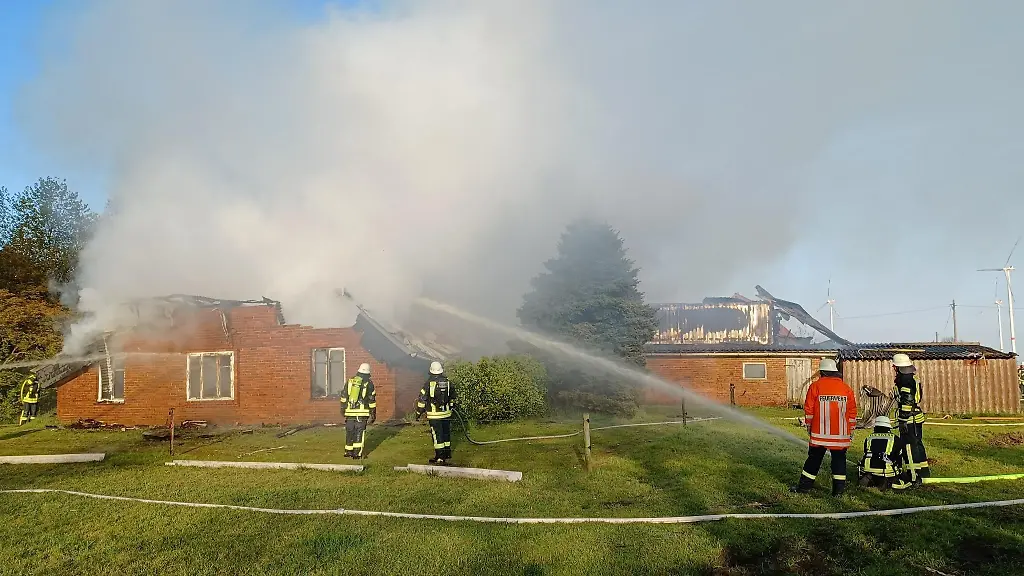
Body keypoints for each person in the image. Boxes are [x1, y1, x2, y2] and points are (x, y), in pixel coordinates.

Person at [793, 358, 857, 496]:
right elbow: (852, 411)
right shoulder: (846, 388)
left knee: (813, 460)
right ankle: (838, 492)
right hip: (840, 435)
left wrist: (809, 426)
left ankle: (804, 488)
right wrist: (851, 429)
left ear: (822, 372)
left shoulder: (815, 386)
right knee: (839, 461)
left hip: (819, 434)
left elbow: (809, 409)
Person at [891, 353, 930, 482]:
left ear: (898, 367)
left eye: (894, 366)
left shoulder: (905, 380)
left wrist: (902, 420)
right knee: (918, 444)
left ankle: (913, 476)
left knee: (908, 446)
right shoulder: (912, 377)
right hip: (916, 416)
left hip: (909, 419)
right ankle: (923, 472)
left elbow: (907, 400)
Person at [857, 416, 912, 490]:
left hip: (868, 470)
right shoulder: (894, 438)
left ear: (875, 427)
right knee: (904, 477)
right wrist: (899, 470)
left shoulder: (869, 438)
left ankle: (869, 479)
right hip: (887, 472)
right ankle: (886, 482)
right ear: (888, 427)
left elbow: (866, 453)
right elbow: (898, 457)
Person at [416, 361, 454, 465]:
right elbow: (452, 397)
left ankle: (440, 457)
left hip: (434, 415)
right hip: (446, 414)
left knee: (437, 435)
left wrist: (418, 413)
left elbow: (422, 399)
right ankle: (447, 454)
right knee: (446, 433)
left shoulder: (428, 384)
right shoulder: (448, 382)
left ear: (431, 371)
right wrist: (450, 407)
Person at [339, 363, 376, 459]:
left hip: (349, 412)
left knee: (350, 431)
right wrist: (373, 413)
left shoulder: (350, 381)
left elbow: (344, 396)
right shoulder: (369, 383)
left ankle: (348, 451)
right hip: (362, 413)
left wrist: (342, 409)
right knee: (359, 432)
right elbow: (371, 400)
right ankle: (357, 453)